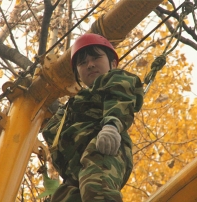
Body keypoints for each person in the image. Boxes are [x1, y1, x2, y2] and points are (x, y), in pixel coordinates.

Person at [42, 33, 144, 202]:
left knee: (95, 190)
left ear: (112, 63)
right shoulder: (67, 111)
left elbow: (119, 97)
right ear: (77, 74)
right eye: (82, 63)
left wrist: (112, 125)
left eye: (96, 58)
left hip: (104, 146)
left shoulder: (114, 79)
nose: (90, 65)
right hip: (73, 174)